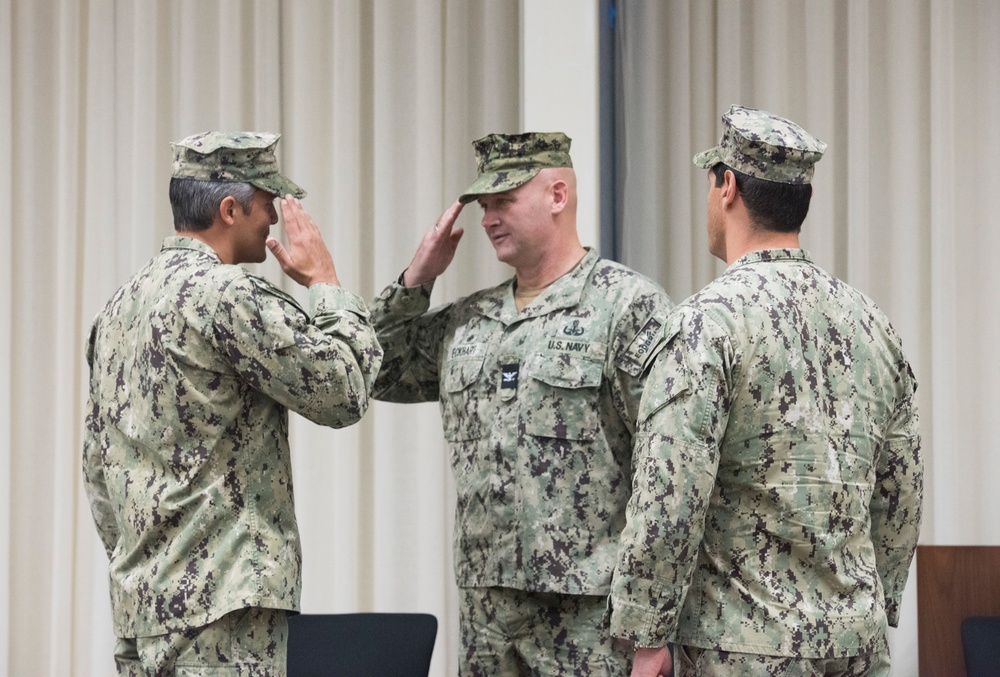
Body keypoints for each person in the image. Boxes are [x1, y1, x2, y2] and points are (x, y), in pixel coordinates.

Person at [609, 106, 924, 676]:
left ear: (727, 186)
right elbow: (901, 492)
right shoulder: (872, 324)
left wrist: (646, 630)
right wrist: (874, 603)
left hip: (745, 648)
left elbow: (670, 492)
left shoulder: (705, 326)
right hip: (856, 643)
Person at [369, 132, 674, 675]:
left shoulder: (627, 307)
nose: (487, 218)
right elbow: (373, 368)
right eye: (483, 206)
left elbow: (670, 471)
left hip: (590, 619)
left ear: (557, 195)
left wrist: (655, 626)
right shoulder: (469, 322)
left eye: (503, 201)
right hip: (487, 619)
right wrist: (418, 278)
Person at [83, 131, 383, 676]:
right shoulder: (227, 296)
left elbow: (98, 472)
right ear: (229, 209)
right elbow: (344, 391)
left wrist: (144, 568)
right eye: (268, 206)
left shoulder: (117, 311)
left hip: (140, 613)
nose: (274, 222)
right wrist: (327, 285)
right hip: (222, 616)